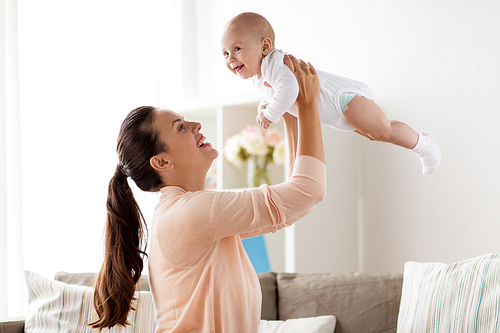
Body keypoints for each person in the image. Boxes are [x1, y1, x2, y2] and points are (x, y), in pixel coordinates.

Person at [90, 55, 326, 332]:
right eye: (181, 127)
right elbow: (307, 191)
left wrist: (290, 113)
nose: (195, 126)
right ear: (162, 162)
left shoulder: (194, 213)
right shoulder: (194, 212)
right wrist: (308, 106)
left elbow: (292, 204)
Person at [221, 12, 442, 175]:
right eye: (225, 53)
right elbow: (271, 94)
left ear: (265, 46)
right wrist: (264, 105)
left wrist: (270, 114)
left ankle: (423, 144)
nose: (231, 58)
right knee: (371, 134)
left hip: (343, 99)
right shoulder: (260, 77)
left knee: (383, 130)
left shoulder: (275, 62)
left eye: (237, 49)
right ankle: (419, 142)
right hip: (339, 114)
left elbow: (289, 89)